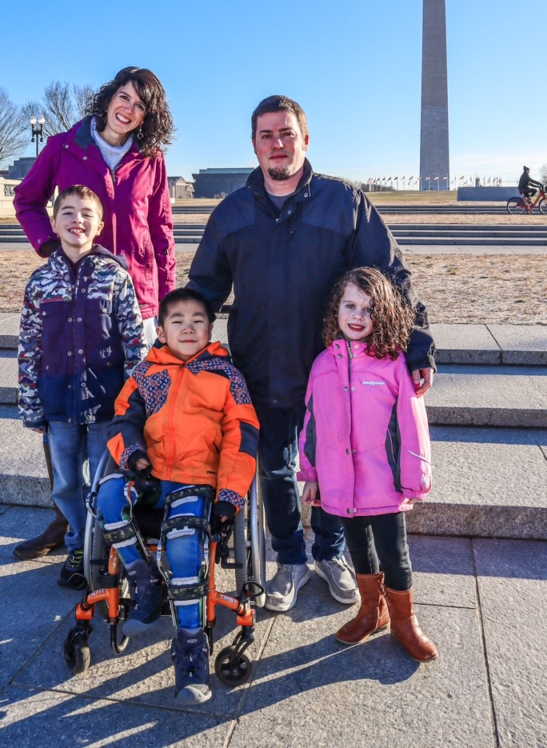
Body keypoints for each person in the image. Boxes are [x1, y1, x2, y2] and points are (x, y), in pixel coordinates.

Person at [188, 94, 435, 613]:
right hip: (260, 364)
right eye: (266, 136)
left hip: (336, 368)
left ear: (305, 138)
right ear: (254, 145)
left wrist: (417, 345)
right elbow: (203, 288)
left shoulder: (344, 203)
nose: (277, 144)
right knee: (275, 467)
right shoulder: (232, 212)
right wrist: (178, 350)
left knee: (335, 457)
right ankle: (292, 559)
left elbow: (390, 277)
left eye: (286, 133)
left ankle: (330, 552)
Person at [13, 67, 176, 560]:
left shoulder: (151, 159)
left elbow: (162, 228)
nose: (128, 108)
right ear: (109, 98)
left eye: (140, 105)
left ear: (149, 116)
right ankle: (67, 524)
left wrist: (166, 302)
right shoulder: (65, 146)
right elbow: (27, 199)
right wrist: (49, 248)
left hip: (135, 297)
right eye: (123, 97)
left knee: (131, 411)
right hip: (72, 296)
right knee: (61, 406)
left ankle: (127, 518)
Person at [97, 288, 259, 705]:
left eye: (198, 320)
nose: (188, 327)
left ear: (210, 327)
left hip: (196, 480)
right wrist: (133, 459)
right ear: (162, 329)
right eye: (178, 321)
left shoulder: (226, 377)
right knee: (108, 494)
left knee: (186, 544)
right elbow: (121, 422)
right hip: (149, 476)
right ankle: (144, 581)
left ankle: (190, 649)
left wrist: (230, 495)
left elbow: (241, 438)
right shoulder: (145, 373)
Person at [299, 266, 437, 661]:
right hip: (340, 483)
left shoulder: (393, 363)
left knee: (395, 553)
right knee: (359, 548)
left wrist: (415, 476)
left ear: (385, 314)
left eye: (369, 308)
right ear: (337, 309)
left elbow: (412, 425)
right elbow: (311, 423)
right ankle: (370, 610)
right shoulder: (322, 364)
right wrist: (310, 474)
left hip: (386, 482)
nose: (358, 316)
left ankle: (404, 621)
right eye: (351, 305)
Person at [17, 185, 145, 588]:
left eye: (86, 213)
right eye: (68, 213)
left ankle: (107, 545)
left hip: (106, 402)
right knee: (69, 482)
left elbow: (135, 344)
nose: (77, 220)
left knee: (107, 480)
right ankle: (77, 543)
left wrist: (134, 403)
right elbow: (28, 347)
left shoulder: (115, 277)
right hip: (58, 404)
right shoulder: (41, 283)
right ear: (54, 223)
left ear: (100, 225)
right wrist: (30, 403)